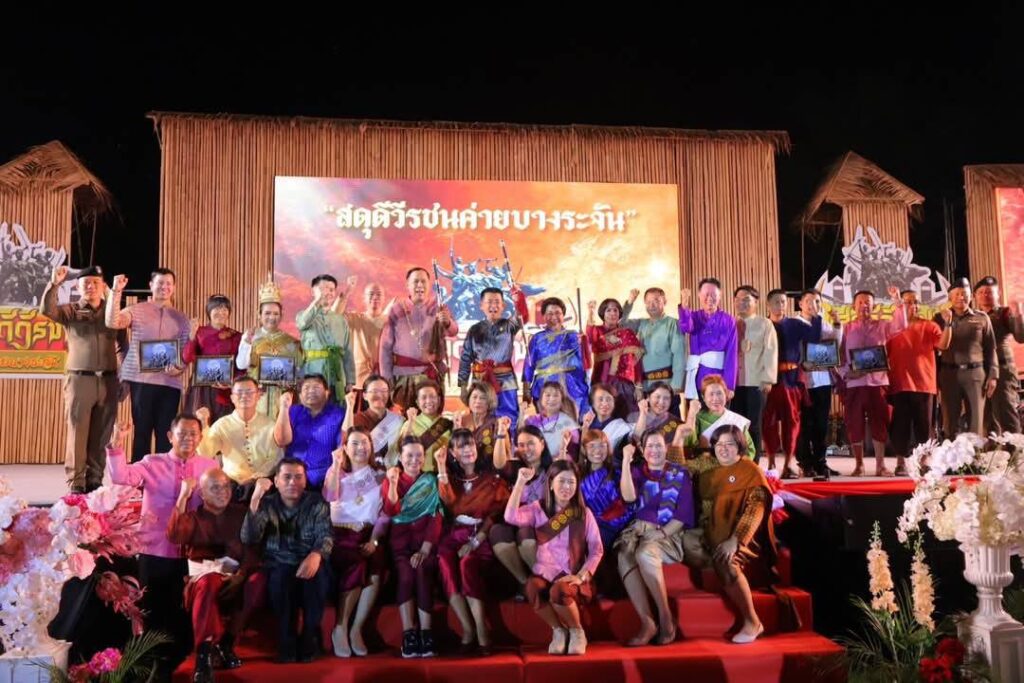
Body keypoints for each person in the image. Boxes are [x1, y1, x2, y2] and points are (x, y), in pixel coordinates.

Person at [107, 415, 218, 679]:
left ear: (200, 437)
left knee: (184, 610)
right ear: (170, 436)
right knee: (154, 608)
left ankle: (182, 658)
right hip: (154, 548)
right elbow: (121, 476)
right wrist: (116, 444)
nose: (188, 439)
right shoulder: (152, 462)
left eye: (193, 434)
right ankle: (154, 664)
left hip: (192, 552)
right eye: (182, 433)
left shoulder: (209, 466)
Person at [683, 425, 781, 644]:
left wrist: (735, 540)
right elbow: (676, 468)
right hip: (711, 528)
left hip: (743, 534)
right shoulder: (708, 464)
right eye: (719, 444)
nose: (724, 449)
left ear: (740, 446)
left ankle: (752, 621)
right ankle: (718, 565)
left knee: (726, 560)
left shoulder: (750, 472)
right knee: (685, 541)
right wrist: (678, 439)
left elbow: (754, 513)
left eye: (730, 444)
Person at [504, 460, 603, 656]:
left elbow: (596, 550)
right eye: (562, 481)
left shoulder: (584, 514)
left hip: (571, 576)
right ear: (550, 483)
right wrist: (520, 482)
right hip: (545, 573)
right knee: (532, 587)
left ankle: (577, 631)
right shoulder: (537, 509)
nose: (566, 487)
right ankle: (559, 631)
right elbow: (511, 517)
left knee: (559, 590)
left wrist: (581, 576)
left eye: (571, 482)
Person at [41, 264, 126, 492]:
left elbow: (122, 347)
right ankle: (76, 482)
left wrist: (125, 377)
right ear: (78, 287)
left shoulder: (113, 312)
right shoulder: (71, 311)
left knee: (102, 434)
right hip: (79, 380)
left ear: (103, 285)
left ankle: (95, 480)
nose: (91, 287)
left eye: (95, 282)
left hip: (108, 381)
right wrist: (54, 284)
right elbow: (47, 310)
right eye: (86, 283)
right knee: (77, 432)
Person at [166, 468, 257, 681]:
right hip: (204, 577)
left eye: (226, 486)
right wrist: (183, 496)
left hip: (236, 574)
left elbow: (253, 548)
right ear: (202, 494)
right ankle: (204, 655)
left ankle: (226, 644)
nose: (223, 492)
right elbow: (175, 535)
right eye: (215, 488)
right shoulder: (194, 517)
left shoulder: (241, 513)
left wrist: (241, 574)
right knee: (208, 584)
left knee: (256, 581)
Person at [242, 458, 332, 663]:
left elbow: (325, 535)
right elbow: (250, 538)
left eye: (298, 477)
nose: (293, 482)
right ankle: (287, 643)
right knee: (280, 582)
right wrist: (255, 500)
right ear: (276, 481)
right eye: (287, 477)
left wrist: (316, 555)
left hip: (309, 559)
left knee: (317, 579)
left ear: (305, 480)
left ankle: (310, 638)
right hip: (278, 563)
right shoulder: (267, 504)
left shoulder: (317, 502)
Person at [617, 428, 695, 646]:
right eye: (649, 446)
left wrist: (660, 533)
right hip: (638, 531)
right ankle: (647, 622)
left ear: (666, 448)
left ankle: (665, 617)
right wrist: (625, 462)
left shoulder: (679, 473)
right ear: (642, 450)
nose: (654, 450)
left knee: (644, 554)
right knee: (624, 556)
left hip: (667, 532)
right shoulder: (637, 472)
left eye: (658, 445)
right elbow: (628, 497)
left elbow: (682, 515)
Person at [436, 430, 511, 655]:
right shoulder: (452, 479)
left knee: (467, 563)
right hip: (454, 534)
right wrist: (440, 466)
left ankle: (481, 630)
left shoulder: (491, 479)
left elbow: (497, 513)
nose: (467, 450)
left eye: (470, 445)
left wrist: (476, 541)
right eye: (461, 447)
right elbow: (448, 501)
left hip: (480, 535)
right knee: (444, 560)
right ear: (452, 453)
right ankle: (467, 629)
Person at [106, 268, 190, 462]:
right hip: (141, 381)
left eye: (168, 283)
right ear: (151, 285)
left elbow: (186, 351)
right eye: (160, 283)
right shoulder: (136, 310)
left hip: (170, 383)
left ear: (174, 287)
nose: (164, 287)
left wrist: (180, 367)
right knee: (141, 432)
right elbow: (113, 322)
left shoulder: (182, 319)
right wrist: (116, 291)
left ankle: (163, 474)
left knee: (166, 434)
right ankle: (138, 475)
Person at [321, 428, 388, 658]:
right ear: (345, 448)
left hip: (368, 534)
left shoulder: (379, 475)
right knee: (358, 562)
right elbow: (329, 496)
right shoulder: (337, 472)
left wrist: (374, 540)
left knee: (377, 563)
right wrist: (336, 464)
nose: (361, 448)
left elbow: (384, 514)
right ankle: (340, 627)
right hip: (340, 535)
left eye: (365, 443)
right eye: (355, 443)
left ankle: (356, 628)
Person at [383, 436, 445, 658]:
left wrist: (425, 550)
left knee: (422, 571)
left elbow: (436, 516)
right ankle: (409, 633)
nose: (414, 460)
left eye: (419, 455)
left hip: (425, 543)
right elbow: (391, 511)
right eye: (409, 455)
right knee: (405, 575)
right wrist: (392, 483)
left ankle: (426, 632)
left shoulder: (430, 480)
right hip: (400, 544)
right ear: (400, 457)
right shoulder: (392, 479)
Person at [839, 287, 905, 476]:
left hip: (878, 383)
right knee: (854, 423)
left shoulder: (883, 325)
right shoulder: (846, 328)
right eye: (860, 302)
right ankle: (859, 465)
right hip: (854, 385)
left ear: (874, 306)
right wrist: (846, 373)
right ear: (853, 306)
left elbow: (901, 325)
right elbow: (839, 356)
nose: (864, 305)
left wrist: (897, 301)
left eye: (868, 302)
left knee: (880, 423)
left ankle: (880, 465)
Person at [378, 267, 457, 411]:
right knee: (406, 419)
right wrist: (386, 380)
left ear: (429, 285)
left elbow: (453, 331)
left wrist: (447, 322)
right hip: (404, 378)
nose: (420, 285)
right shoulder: (397, 309)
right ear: (407, 285)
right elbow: (385, 348)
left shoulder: (438, 308)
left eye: (423, 281)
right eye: (415, 282)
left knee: (431, 419)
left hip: (431, 376)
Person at [195, 376, 284, 494]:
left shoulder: (270, 425)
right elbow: (206, 453)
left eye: (249, 392)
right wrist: (204, 423)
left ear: (258, 396)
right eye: (239, 393)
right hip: (230, 485)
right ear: (232, 398)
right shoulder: (222, 425)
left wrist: (256, 477)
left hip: (262, 483)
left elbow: (276, 457)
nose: (244, 396)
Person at [933, 278, 998, 437]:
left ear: (971, 296)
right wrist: (935, 379)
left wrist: (993, 375)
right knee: (950, 424)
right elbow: (934, 351)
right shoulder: (939, 318)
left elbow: (990, 349)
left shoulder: (982, 318)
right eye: (957, 294)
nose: (961, 297)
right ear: (950, 297)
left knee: (976, 423)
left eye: (964, 294)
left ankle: (975, 453)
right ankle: (951, 453)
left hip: (975, 375)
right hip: (949, 375)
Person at [236, 276, 303, 420]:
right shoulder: (250, 337)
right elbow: (241, 364)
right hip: (257, 396)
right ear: (259, 315)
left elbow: (299, 371)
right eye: (267, 313)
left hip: (282, 398)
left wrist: (291, 382)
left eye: (276, 313)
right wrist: (247, 342)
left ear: (281, 315)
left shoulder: (292, 342)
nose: (272, 317)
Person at [459, 286, 523, 425]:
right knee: (480, 419)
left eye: (497, 302)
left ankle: (507, 439)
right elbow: (465, 359)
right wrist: (463, 386)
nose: (493, 306)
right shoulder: (474, 329)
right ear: (481, 305)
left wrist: (519, 300)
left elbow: (522, 315)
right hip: (480, 381)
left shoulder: (510, 325)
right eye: (489, 302)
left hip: (505, 382)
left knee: (508, 419)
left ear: (503, 305)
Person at [274, 374, 345, 489]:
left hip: (323, 479)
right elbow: (282, 441)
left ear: (327, 392)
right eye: (306, 388)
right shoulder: (293, 411)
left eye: (316, 387)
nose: (311, 391)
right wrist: (284, 407)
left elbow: (342, 446)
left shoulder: (338, 414)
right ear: (300, 395)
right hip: (292, 478)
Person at [523, 296, 591, 417]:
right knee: (548, 424)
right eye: (550, 313)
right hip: (545, 387)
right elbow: (529, 365)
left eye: (558, 313)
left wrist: (584, 344)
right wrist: (526, 389)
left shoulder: (575, 336)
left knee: (572, 423)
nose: (554, 316)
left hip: (572, 388)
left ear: (563, 315)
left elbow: (584, 363)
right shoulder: (537, 338)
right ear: (544, 316)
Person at [731, 285, 777, 462]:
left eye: (746, 300)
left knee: (753, 425)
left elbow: (771, 351)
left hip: (756, 382)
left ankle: (754, 463)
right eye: (738, 299)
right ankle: (738, 462)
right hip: (734, 383)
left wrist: (768, 379)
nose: (741, 303)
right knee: (735, 425)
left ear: (756, 302)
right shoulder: (730, 324)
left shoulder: (765, 324)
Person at [974, 276, 1023, 433]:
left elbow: (1021, 336)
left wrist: (1018, 314)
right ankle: (992, 449)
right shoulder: (973, 316)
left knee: (1005, 414)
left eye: (989, 292)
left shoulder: (1005, 313)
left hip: (1003, 370)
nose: (985, 295)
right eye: (981, 292)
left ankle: (1016, 448)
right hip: (980, 372)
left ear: (998, 293)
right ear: (975, 296)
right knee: (986, 419)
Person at [182, 294, 243, 422]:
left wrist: (232, 382)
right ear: (209, 311)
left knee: (223, 427)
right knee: (200, 424)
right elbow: (187, 358)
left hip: (225, 389)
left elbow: (241, 366)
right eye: (217, 308)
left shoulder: (237, 336)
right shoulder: (199, 332)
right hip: (201, 389)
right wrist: (192, 336)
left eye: (225, 309)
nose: (221, 312)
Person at [296, 274, 356, 398]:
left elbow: (348, 351)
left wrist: (350, 380)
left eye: (331, 289)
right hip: (313, 373)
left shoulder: (341, 320)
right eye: (323, 289)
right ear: (313, 292)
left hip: (337, 375)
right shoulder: (303, 316)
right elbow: (302, 323)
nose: (328, 293)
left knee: (336, 407)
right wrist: (318, 300)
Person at [677, 279, 738, 399]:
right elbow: (686, 327)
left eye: (713, 295)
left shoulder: (728, 320)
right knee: (696, 409)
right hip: (697, 375)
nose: (709, 298)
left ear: (720, 296)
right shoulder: (694, 316)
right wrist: (684, 305)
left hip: (719, 378)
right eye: (706, 294)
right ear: (699, 295)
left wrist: (729, 385)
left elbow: (732, 353)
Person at [621, 287, 686, 398]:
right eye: (648, 302)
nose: (652, 305)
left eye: (656, 301)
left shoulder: (673, 324)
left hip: (666, 385)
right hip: (644, 387)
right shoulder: (641, 324)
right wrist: (629, 303)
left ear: (664, 301)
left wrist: (676, 385)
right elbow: (621, 325)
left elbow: (679, 355)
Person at [587, 297, 645, 415]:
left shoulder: (627, 333)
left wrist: (638, 387)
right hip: (602, 382)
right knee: (603, 418)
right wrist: (590, 311)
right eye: (608, 310)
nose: (612, 313)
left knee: (628, 417)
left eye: (615, 310)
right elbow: (589, 334)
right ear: (602, 313)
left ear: (619, 313)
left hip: (625, 383)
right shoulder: (597, 331)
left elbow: (636, 362)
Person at [680, 375, 756, 459]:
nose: (715, 398)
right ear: (703, 397)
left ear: (726, 395)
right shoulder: (697, 418)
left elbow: (749, 450)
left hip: (733, 464)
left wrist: (734, 462)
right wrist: (691, 416)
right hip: (704, 463)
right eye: (711, 394)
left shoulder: (737, 420)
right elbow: (689, 447)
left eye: (719, 393)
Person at [337, 276, 388, 388]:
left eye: (379, 294)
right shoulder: (354, 318)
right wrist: (348, 291)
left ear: (384, 298)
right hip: (358, 379)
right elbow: (334, 315)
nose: (375, 297)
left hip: (382, 378)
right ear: (364, 298)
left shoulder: (389, 321)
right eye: (371, 294)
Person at [342, 374, 403, 466]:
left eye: (384, 391)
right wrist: (350, 407)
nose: (379, 395)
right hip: (365, 469)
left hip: (392, 470)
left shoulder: (397, 420)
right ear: (364, 395)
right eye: (374, 391)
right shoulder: (356, 419)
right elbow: (346, 440)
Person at [398, 379, 453, 472]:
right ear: (417, 402)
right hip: (418, 476)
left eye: (432, 397)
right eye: (423, 397)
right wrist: (411, 422)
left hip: (444, 473)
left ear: (439, 400)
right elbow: (401, 450)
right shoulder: (409, 424)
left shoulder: (448, 423)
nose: (428, 401)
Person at [525, 381, 580, 458]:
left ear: (561, 400)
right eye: (548, 395)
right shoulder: (531, 421)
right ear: (541, 399)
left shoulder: (567, 422)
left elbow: (574, 452)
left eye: (555, 396)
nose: (551, 399)